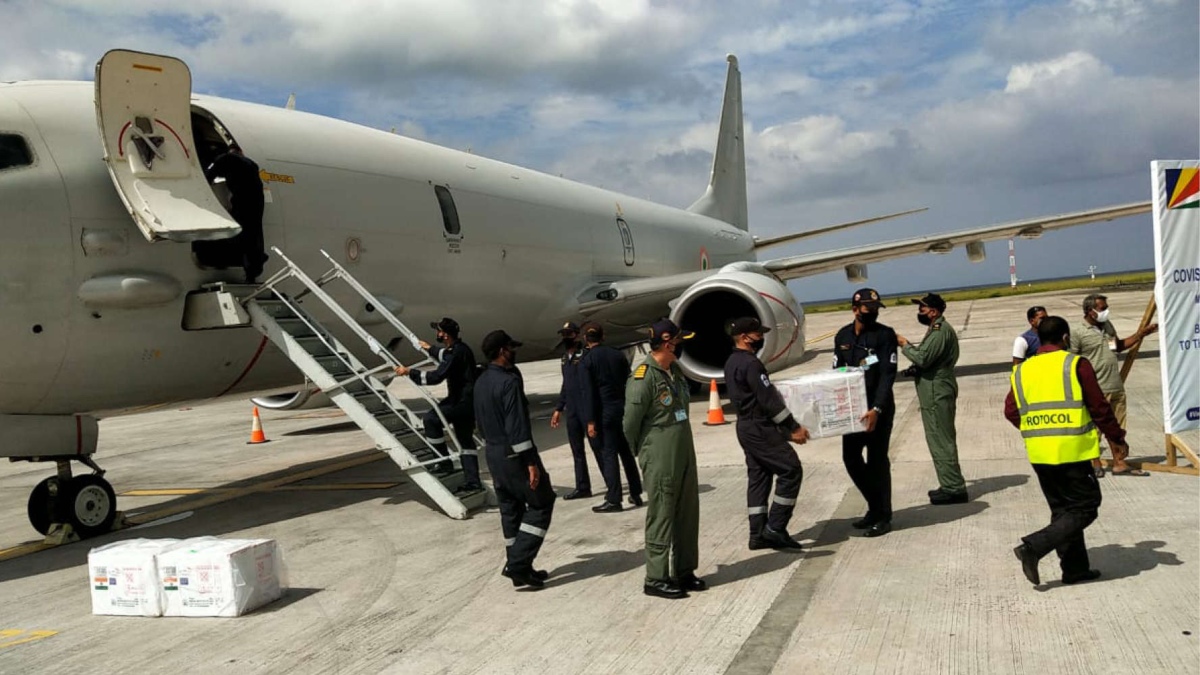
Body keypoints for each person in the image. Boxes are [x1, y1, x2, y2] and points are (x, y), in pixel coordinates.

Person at [1007, 316, 1128, 586]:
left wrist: (1037, 429)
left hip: (1040, 452)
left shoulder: (1022, 370)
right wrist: (1116, 438)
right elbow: (1099, 406)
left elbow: (1011, 411)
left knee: (1063, 511)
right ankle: (1033, 547)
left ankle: (1075, 569)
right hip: (1072, 450)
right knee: (1085, 507)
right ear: (1065, 338)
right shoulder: (1075, 364)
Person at [624, 319, 705, 599]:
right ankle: (656, 578)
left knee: (687, 511)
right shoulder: (644, 376)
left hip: (683, 448)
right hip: (659, 452)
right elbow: (630, 425)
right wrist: (646, 454)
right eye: (679, 342)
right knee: (661, 514)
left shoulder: (675, 372)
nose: (681, 346)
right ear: (667, 342)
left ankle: (684, 570)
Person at [474, 330, 556, 589]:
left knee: (510, 510)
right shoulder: (508, 382)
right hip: (514, 454)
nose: (514, 351)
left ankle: (519, 566)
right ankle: (518, 564)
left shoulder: (481, 381)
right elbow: (517, 425)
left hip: (493, 453)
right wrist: (530, 462)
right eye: (511, 347)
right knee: (542, 502)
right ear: (501, 351)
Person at [723, 316, 809, 550]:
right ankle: (775, 528)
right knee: (790, 469)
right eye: (758, 334)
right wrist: (793, 427)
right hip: (759, 427)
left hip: (745, 427)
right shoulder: (751, 364)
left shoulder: (731, 361)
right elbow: (769, 400)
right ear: (744, 337)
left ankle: (757, 533)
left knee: (759, 476)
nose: (761, 337)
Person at [833, 289, 898, 537]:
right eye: (867, 309)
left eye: (875, 309)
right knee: (850, 458)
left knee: (877, 461)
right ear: (855, 309)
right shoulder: (842, 336)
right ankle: (874, 506)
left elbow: (887, 374)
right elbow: (837, 372)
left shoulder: (884, 335)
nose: (872, 313)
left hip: (876, 410)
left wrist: (877, 409)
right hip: (852, 409)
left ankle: (884, 516)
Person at [1069, 294, 1157, 477]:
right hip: (1095, 388)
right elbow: (1071, 360)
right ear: (1090, 311)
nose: (1106, 311)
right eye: (1102, 308)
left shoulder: (1107, 326)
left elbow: (1117, 346)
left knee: (1117, 427)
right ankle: (1095, 463)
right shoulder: (1077, 332)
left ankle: (1119, 463)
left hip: (1115, 385)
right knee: (1095, 428)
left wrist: (1141, 334)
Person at [395, 317, 481, 494]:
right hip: (468, 402)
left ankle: (443, 462)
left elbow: (435, 377)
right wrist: (428, 348)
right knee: (465, 442)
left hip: (459, 401)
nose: (437, 334)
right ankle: (473, 482)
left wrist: (410, 372)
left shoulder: (455, 353)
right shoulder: (460, 349)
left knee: (431, 420)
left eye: (439, 331)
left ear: (445, 334)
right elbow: (445, 355)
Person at [897, 293, 968, 504]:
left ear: (934, 312)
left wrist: (904, 343)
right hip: (933, 388)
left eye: (922, 308)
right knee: (937, 438)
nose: (919, 311)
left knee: (940, 439)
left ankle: (954, 488)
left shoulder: (939, 331)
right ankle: (949, 482)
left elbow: (923, 357)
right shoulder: (936, 330)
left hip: (937, 390)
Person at [580, 322, 644, 513]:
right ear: (603, 336)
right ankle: (636, 492)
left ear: (586, 339)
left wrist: (590, 421)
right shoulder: (617, 355)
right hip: (621, 409)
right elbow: (629, 381)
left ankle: (614, 499)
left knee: (609, 455)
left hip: (604, 413)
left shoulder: (587, 361)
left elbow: (588, 393)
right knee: (626, 453)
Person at [205, 143, 267, 283]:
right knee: (254, 234)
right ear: (241, 151)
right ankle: (253, 270)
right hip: (257, 201)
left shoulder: (225, 159)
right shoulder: (252, 164)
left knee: (235, 230)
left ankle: (221, 258)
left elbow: (209, 175)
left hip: (242, 200)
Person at [550, 322, 592, 500]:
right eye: (564, 334)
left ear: (576, 335)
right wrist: (559, 408)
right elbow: (566, 384)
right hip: (572, 410)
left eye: (569, 334)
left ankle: (612, 486)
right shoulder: (564, 358)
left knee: (598, 448)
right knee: (577, 450)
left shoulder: (585, 354)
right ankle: (582, 487)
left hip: (586, 407)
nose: (566, 337)